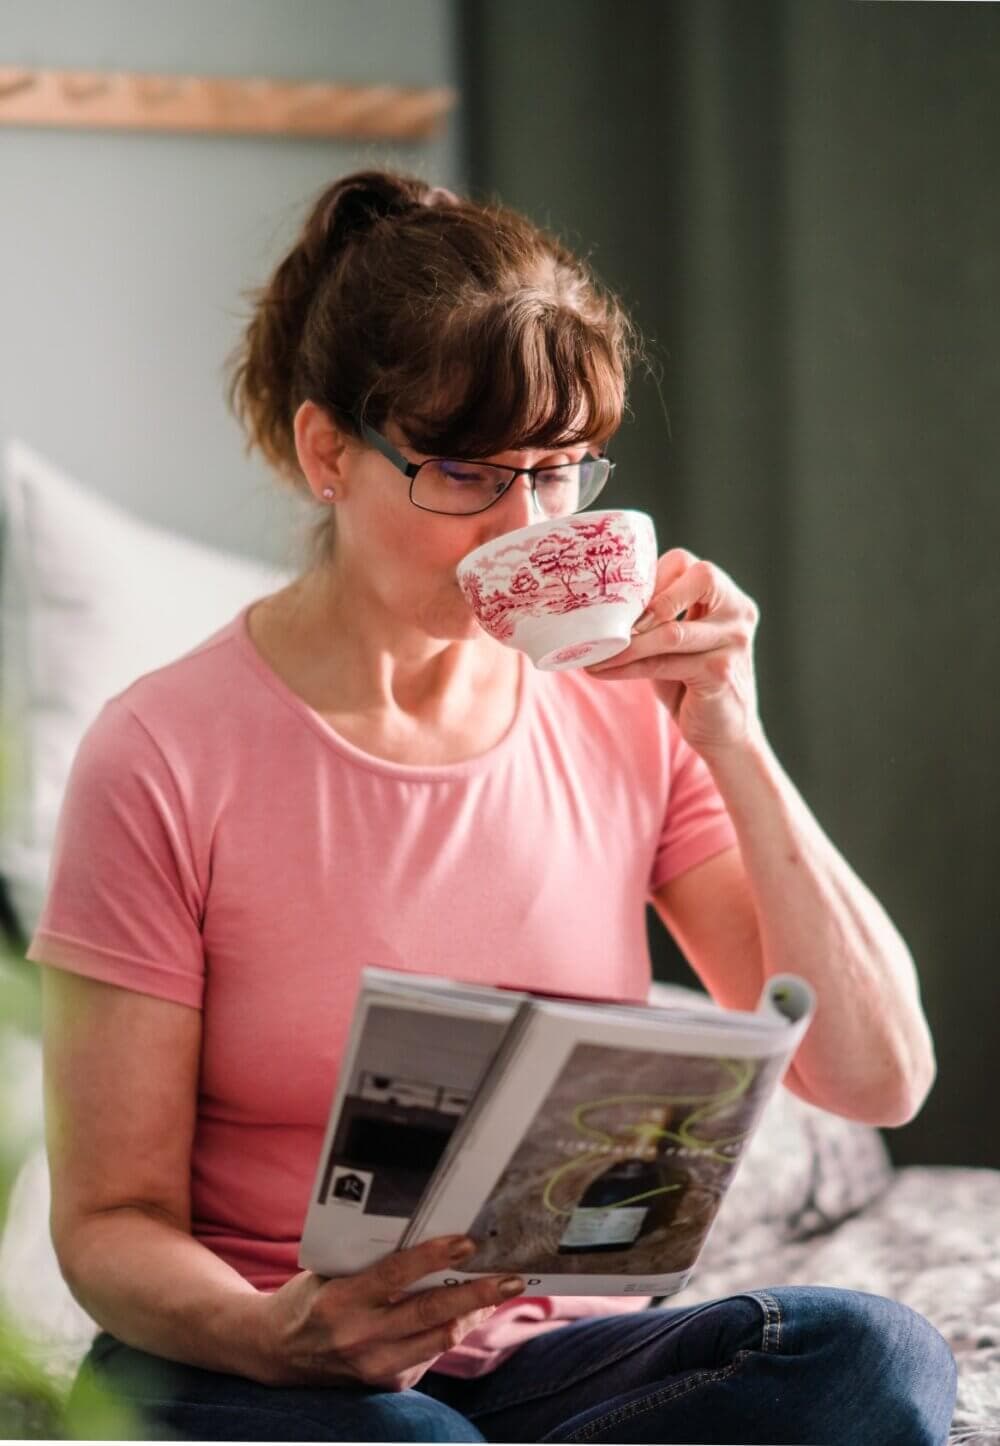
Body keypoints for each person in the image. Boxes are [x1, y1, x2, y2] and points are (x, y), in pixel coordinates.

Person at [32, 168, 957, 1444]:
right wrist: (280, 1335)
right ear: (326, 453)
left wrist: (731, 735)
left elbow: (877, 1077)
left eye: (562, 472)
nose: (524, 527)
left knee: (865, 1357)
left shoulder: (624, 714)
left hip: (541, 1367)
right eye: (468, 473)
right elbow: (107, 1225)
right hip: (248, 1355)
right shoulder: (161, 753)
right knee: (416, 1439)